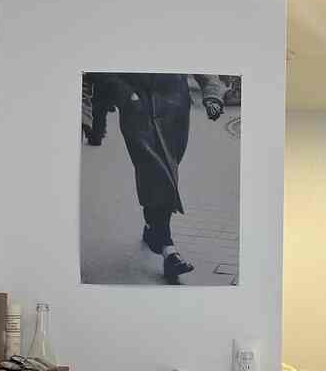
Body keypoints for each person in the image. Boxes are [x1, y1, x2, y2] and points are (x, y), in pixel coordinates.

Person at [84, 72, 228, 283]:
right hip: (137, 107)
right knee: (154, 171)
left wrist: (212, 95)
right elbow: (101, 70)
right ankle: (169, 250)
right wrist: (126, 94)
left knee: (167, 173)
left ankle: (154, 230)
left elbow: (204, 64)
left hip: (174, 109)